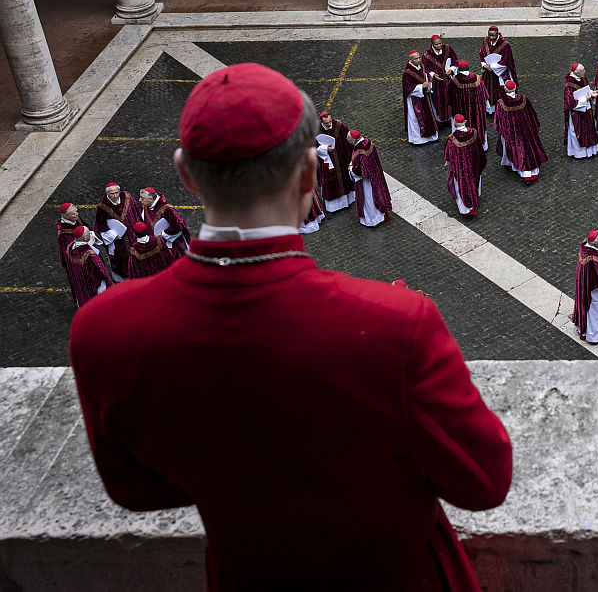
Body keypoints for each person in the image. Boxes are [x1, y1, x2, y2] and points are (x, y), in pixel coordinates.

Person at [68, 62, 511, 589]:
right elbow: (484, 481)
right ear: (309, 172)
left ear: (185, 174)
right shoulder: (396, 325)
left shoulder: (104, 331)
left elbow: (135, 488)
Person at [494, 80, 547, 184]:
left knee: (515, 150)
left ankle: (522, 172)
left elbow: (499, 121)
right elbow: (532, 115)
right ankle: (531, 173)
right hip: (527, 130)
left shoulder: (501, 103)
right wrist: (533, 128)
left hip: (511, 132)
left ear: (505, 89)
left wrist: (503, 131)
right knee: (528, 149)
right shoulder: (524, 99)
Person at [95, 183, 142, 280]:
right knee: (121, 262)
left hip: (133, 236)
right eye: (112, 194)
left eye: (117, 192)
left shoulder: (127, 196)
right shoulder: (102, 207)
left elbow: (137, 210)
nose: (115, 196)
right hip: (119, 241)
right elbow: (101, 225)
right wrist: (112, 235)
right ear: (107, 194)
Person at [347, 130, 392, 227]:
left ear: (354, 141)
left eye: (349, 140)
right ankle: (380, 215)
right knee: (377, 195)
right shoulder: (367, 141)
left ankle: (373, 220)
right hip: (375, 174)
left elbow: (359, 170)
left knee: (369, 199)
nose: (348, 141)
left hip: (366, 181)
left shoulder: (360, 151)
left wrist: (351, 169)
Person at [445, 115, 487, 217]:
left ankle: (466, 209)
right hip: (473, 165)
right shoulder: (474, 133)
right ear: (466, 122)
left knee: (461, 186)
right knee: (474, 181)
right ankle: (475, 197)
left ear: (454, 124)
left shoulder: (452, 139)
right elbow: (479, 149)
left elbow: (449, 156)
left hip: (461, 169)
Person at [315, 111, 356, 213]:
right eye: (326, 123)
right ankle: (333, 208)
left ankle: (348, 202)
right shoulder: (315, 131)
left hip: (342, 159)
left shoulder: (339, 125)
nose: (329, 124)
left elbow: (349, 139)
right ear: (321, 122)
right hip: (327, 163)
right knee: (331, 183)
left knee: (345, 179)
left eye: (329, 121)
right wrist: (324, 149)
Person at [139, 186, 190, 262]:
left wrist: (162, 235)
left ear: (150, 199)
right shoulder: (146, 206)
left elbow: (177, 227)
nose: (140, 200)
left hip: (171, 245)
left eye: (142, 198)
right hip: (155, 245)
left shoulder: (167, 209)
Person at [65, 225, 112, 307]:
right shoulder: (90, 254)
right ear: (86, 238)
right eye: (89, 234)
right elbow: (101, 270)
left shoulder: (69, 247)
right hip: (92, 283)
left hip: (79, 281)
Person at [447, 60, 490, 148]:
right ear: (468, 68)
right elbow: (484, 95)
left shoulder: (454, 81)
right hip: (477, 111)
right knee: (478, 126)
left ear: (459, 69)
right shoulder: (477, 78)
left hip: (461, 110)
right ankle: (481, 146)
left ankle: (464, 146)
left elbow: (448, 98)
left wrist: (450, 111)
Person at [402, 50, 438, 145]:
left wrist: (429, 84)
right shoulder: (407, 73)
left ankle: (431, 136)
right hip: (415, 99)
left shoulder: (421, 66)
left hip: (424, 96)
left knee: (428, 116)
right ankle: (418, 139)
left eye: (419, 58)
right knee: (417, 119)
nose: (418, 60)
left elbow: (426, 76)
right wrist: (421, 86)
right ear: (410, 59)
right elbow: (407, 88)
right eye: (416, 59)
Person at [477, 26, 517, 114]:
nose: (491, 38)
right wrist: (484, 65)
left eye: (493, 36)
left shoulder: (505, 44)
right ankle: (489, 109)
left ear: (497, 34)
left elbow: (506, 60)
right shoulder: (485, 40)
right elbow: (481, 53)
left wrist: (493, 67)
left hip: (500, 73)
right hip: (488, 72)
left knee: (499, 91)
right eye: (489, 35)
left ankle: (500, 109)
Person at [564, 63, 598, 159]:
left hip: (586, 111)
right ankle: (580, 153)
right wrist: (585, 99)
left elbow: (586, 89)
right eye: (582, 71)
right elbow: (570, 103)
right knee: (578, 132)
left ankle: (590, 150)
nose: (585, 72)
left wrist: (591, 93)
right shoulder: (569, 86)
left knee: (589, 129)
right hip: (577, 113)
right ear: (576, 73)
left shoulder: (583, 78)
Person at [422, 34, 459, 125]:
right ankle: (441, 120)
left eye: (440, 44)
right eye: (436, 45)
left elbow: (455, 60)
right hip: (437, 83)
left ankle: (451, 118)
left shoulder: (447, 48)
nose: (439, 46)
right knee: (439, 101)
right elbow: (425, 69)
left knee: (450, 99)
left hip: (448, 79)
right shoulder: (427, 55)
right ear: (432, 44)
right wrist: (433, 75)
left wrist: (452, 69)